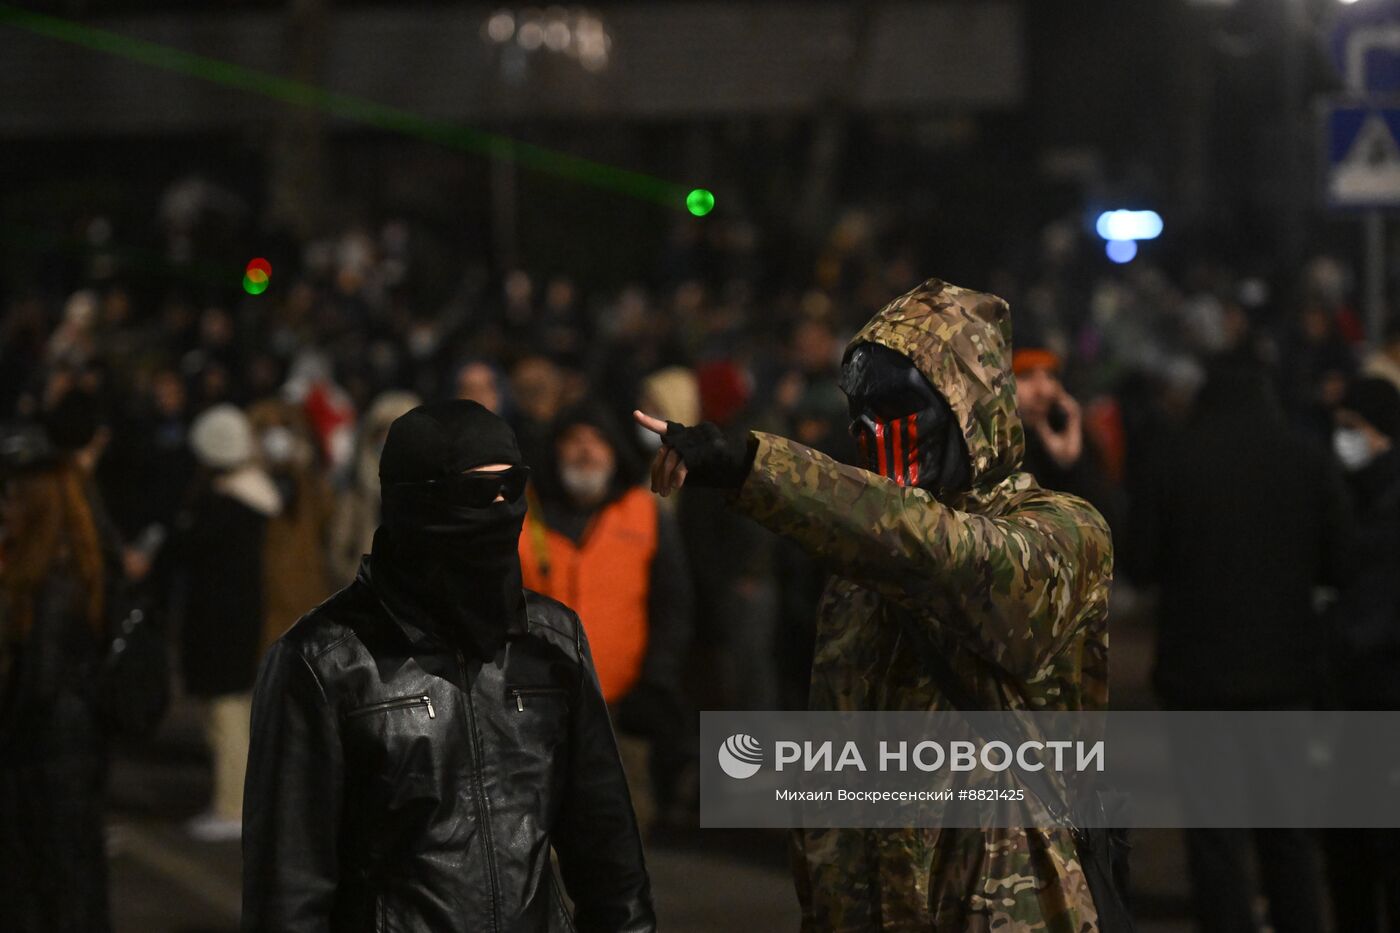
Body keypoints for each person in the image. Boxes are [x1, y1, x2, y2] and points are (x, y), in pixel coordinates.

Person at [637, 278, 1113, 930]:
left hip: (999, 900)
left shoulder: (1061, 530)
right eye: (857, 406)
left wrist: (757, 468)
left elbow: (947, 552)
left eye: (893, 404)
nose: (868, 427)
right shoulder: (858, 560)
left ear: (966, 405)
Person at [243, 400, 655, 933]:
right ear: (420, 506)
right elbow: (288, 894)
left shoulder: (551, 642)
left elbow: (610, 860)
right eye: (480, 494)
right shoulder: (325, 662)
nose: (503, 507)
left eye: (514, 487)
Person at [1127, 358, 1351, 933]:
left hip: (1198, 680)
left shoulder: (1177, 459)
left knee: (1215, 841)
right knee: (1290, 839)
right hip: (1286, 678)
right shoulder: (1306, 459)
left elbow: (1141, 561)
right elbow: (1340, 563)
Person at [517, 402, 694, 832]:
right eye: (573, 441)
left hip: (621, 710)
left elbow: (673, 605)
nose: (585, 451)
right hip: (534, 710)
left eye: (596, 440)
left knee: (621, 835)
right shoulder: (522, 516)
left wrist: (657, 681)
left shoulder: (645, 512)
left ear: (614, 450)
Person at [0, 404, 113, 932]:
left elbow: (38, 685)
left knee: (49, 881)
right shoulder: (73, 560)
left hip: (47, 755)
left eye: (14, 499)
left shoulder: (50, 581)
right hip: (71, 750)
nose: (7, 509)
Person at [173, 403, 281, 842]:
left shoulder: (226, 506)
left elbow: (192, 554)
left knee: (227, 714)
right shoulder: (259, 498)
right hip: (245, 624)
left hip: (224, 627)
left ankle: (232, 805)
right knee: (233, 712)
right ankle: (235, 801)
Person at [1323, 376, 1400, 931]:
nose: (1342, 440)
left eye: (1354, 429)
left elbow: (1372, 613)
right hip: (1359, 702)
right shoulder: (1356, 495)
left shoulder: (1384, 507)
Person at [327, 390, 420, 584]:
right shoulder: (356, 494)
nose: (387, 440)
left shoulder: (431, 493)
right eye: (382, 431)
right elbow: (338, 551)